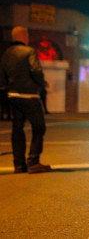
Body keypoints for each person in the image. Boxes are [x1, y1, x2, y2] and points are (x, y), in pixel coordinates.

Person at [0, 26, 52, 174]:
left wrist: (8, 89)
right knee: (39, 126)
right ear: (24, 36)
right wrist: (41, 84)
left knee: (17, 128)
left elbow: (2, 76)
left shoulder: (6, 54)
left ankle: (19, 164)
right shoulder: (29, 51)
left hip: (13, 96)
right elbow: (36, 70)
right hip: (29, 95)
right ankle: (33, 161)